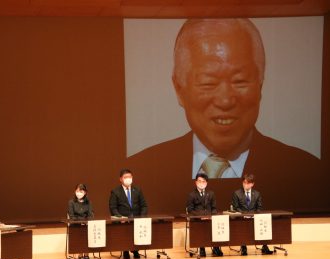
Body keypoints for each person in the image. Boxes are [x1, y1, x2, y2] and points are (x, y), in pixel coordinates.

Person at [125, 18, 322, 214]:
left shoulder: (304, 167)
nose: (225, 100)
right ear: (179, 89)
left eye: (240, 81)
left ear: (260, 85)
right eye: (208, 83)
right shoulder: (143, 167)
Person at [109, 169, 148, 259]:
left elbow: (144, 205)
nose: (128, 179)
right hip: (123, 220)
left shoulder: (137, 190)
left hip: (136, 219)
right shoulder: (115, 191)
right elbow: (112, 207)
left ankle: (135, 250)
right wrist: (120, 217)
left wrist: (142, 217)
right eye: (125, 177)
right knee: (125, 230)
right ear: (120, 179)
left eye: (130, 177)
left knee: (136, 229)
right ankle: (125, 250)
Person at [231, 174, 273, 255]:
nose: (246, 185)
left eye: (248, 183)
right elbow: (236, 208)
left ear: (252, 184)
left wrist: (255, 215)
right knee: (242, 226)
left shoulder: (257, 194)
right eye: (244, 182)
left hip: (254, 218)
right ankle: (243, 246)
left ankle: (265, 246)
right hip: (242, 218)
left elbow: (259, 207)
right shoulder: (237, 193)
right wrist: (243, 214)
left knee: (263, 223)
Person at [186, 173, 223, 257]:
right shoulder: (191, 195)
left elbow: (214, 208)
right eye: (199, 181)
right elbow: (190, 210)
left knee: (216, 225)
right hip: (197, 220)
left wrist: (212, 216)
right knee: (201, 227)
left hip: (209, 218)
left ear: (206, 183)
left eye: (203, 181)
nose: (201, 183)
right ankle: (201, 248)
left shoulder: (211, 193)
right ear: (196, 182)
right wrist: (200, 217)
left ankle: (216, 248)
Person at [67, 183, 94, 259]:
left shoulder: (88, 202)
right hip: (75, 225)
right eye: (77, 191)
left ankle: (86, 254)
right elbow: (71, 216)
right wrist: (79, 222)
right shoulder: (71, 202)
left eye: (81, 191)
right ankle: (79, 254)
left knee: (87, 232)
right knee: (79, 231)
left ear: (85, 192)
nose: (79, 193)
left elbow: (90, 215)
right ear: (75, 191)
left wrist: (85, 222)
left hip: (86, 225)